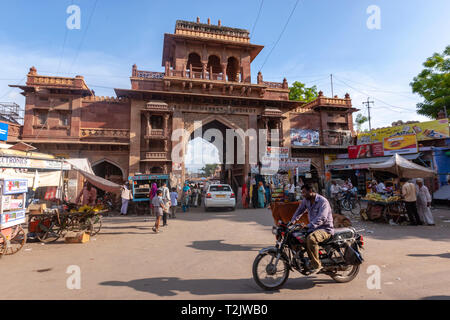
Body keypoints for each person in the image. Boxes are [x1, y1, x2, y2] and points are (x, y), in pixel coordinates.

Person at [290, 184, 334, 274]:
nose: (303, 194)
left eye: (304, 192)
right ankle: (302, 259)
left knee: (311, 239)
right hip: (313, 228)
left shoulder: (323, 201)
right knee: (295, 236)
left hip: (325, 229)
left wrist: (309, 225)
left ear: (311, 191)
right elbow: (300, 210)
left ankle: (316, 265)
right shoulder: (306, 200)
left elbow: (322, 217)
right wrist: (292, 221)